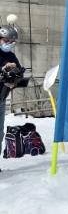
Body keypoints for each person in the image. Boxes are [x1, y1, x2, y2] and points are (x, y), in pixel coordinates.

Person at [0, 25, 22, 172]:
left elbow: (19, 74)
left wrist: (14, 80)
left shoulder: (11, 56)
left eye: (12, 42)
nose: (9, 44)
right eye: (7, 40)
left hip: (1, 99)